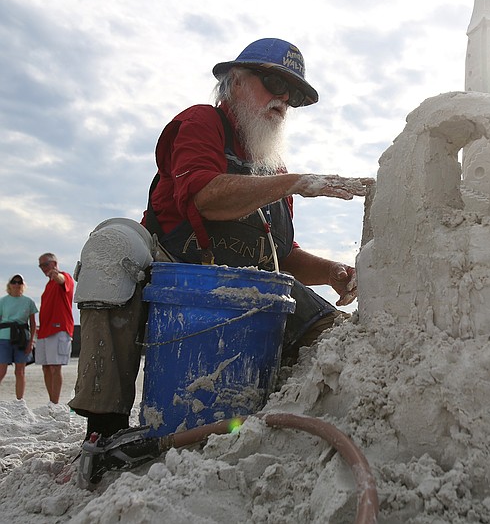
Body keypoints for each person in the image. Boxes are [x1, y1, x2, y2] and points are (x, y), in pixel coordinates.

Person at [70, 37, 372, 439]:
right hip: (177, 278)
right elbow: (204, 196)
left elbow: (280, 254)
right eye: (272, 83)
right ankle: (104, 429)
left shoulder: (272, 169)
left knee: (340, 342)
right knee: (112, 246)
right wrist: (295, 183)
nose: (283, 100)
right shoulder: (202, 124)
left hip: (251, 290)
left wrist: (334, 272)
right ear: (234, 83)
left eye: (292, 94)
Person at [36, 253, 75, 404]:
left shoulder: (64, 277)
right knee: (45, 367)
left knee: (55, 367)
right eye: (41, 266)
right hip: (44, 331)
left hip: (59, 329)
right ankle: (51, 401)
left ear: (54, 263)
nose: (43, 268)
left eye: (45, 265)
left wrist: (56, 274)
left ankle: (55, 402)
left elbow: (62, 280)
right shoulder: (48, 285)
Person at [0, 275, 38, 400]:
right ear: (9, 285)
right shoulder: (3, 301)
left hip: (22, 338)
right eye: (14, 282)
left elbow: (32, 324)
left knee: (20, 371)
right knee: (2, 371)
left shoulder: (29, 302)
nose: (16, 285)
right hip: (4, 338)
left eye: (19, 282)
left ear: (22, 285)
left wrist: (31, 342)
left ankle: (19, 400)